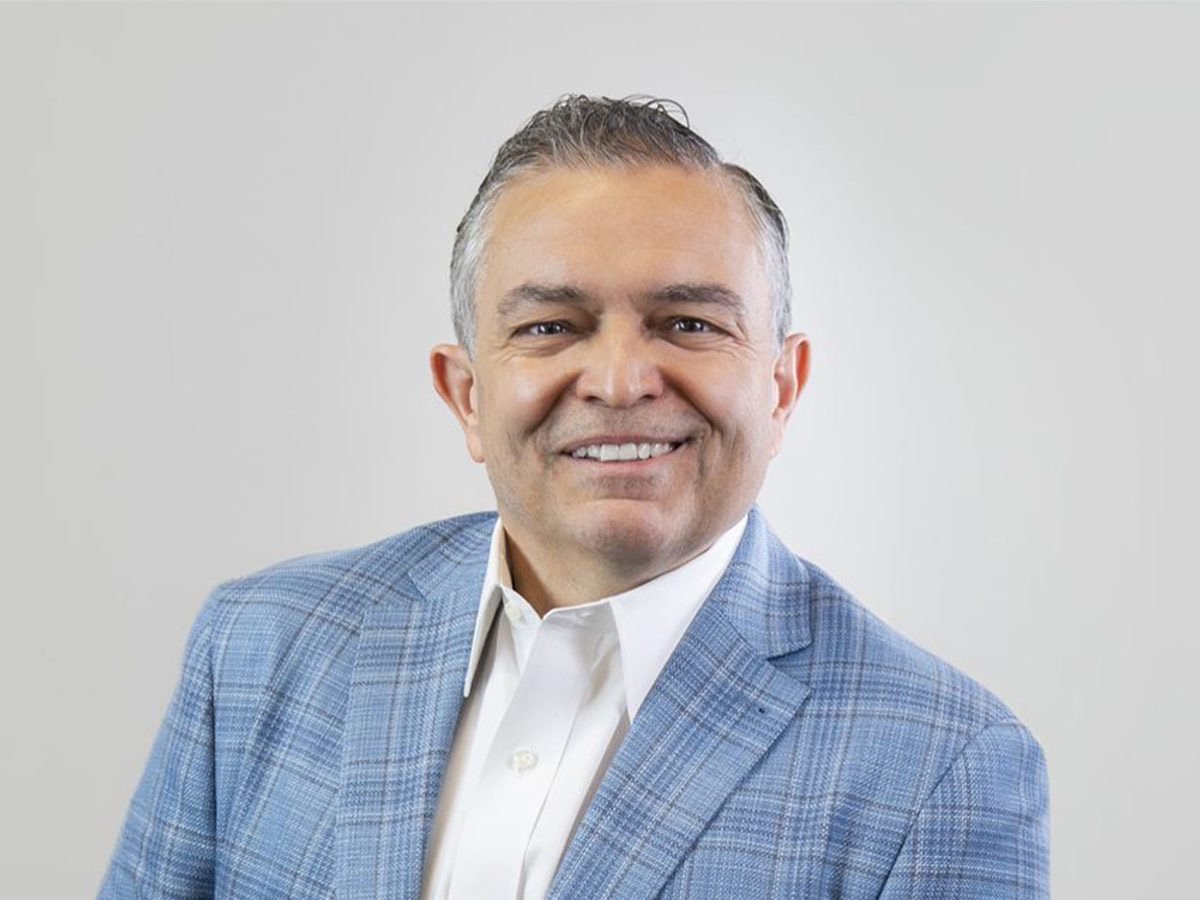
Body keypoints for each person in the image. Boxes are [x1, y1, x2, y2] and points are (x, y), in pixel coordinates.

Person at [99, 96, 1049, 899]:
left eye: (688, 322)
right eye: (553, 325)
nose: (622, 378)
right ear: (467, 395)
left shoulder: (944, 768)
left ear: (782, 386)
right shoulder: (259, 646)